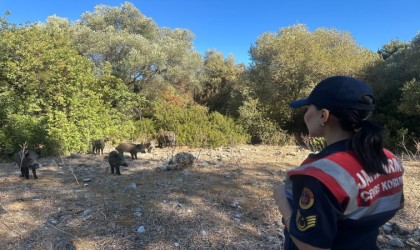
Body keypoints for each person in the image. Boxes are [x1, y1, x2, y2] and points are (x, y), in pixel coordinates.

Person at [273, 76, 404, 250]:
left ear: (323, 115)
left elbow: (309, 246)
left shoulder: (323, 174)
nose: (305, 115)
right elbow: (398, 203)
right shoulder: (388, 157)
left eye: (308, 108)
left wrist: (281, 199)